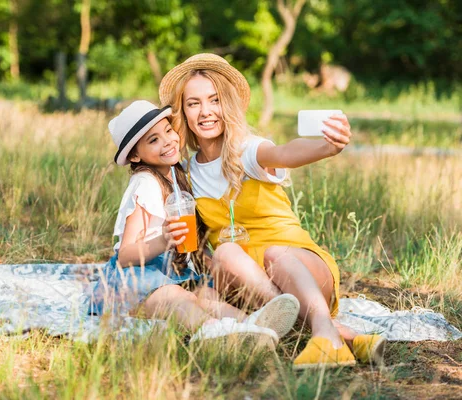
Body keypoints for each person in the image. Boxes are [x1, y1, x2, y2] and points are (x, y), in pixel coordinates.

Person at [159, 54, 386, 368]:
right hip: (247, 283)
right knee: (221, 259)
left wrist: (327, 147)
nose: (206, 111)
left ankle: (323, 331)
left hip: (301, 267)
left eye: (214, 100)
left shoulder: (247, 149)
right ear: (182, 111)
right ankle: (337, 336)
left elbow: (284, 153)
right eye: (194, 103)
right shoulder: (185, 173)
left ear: (228, 104)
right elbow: (198, 247)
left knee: (276, 253)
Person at [89, 100, 298, 347]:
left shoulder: (176, 174)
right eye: (153, 140)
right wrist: (163, 240)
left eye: (168, 131)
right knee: (176, 297)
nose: (167, 141)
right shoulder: (145, 183)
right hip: (135, 282)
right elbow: (124, 255)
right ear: (135, 155)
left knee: (206, 295)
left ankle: (253, 325)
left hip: (171, 274)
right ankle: (213, 332)